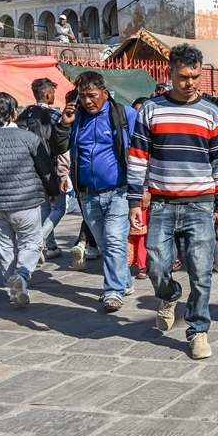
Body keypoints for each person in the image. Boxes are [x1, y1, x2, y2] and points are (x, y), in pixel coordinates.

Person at [128, 44, 218, 360]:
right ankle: (170, 294)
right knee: (156, 265)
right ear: (170, 72)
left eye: (195, 77)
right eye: (184, 77)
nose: (190, 83)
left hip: (200, 204)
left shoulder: (212, 112)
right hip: (160, 203)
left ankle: (198, 331)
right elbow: (137, 158)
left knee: (201, 272)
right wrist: (134, 200)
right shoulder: (151, 110)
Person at [55, 71, 138, 312]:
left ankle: (113, 291)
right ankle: (124, 281)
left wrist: (141, 188)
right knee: (103, 243)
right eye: (82, 97)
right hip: (88, 194)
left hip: (119, 192)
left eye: (92, 96)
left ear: (104, 92)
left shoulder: (125, 115)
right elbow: (58, 146)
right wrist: (64, 125)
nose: (88, 101)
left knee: (114, 239)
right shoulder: (77, 118)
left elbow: (143, 150)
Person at [0, 93, 58, 308]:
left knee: (4, 248)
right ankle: (21, 275)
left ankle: (14, 292)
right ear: (14, 113)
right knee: (31, 242)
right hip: (26, 202)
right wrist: (53, 190)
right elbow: (46, 170)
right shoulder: (29, 138)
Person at [17, 77, 66, 260]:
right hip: (52, 169)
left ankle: (51, 246)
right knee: (59, 208)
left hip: (31, 170)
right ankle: (39, 242)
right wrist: (63, 174)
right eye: (53, 93)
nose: (54, 96)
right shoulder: (54, 116)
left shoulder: (24, 115)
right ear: (47, 94)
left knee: (44, 208)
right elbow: (62, 146)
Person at [128, 97, 150, 280]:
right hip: (133, 190)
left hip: (152, 190)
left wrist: (147, 189)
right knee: (137, 231)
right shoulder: (127, 135)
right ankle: (140, 265)